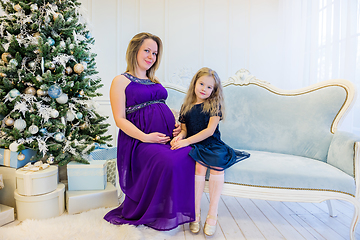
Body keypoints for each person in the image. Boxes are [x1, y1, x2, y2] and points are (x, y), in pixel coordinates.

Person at [104, 32, 195, 231]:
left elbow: (160, 106)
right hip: (140, 142)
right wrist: (146, 137)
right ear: (135, 50)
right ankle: (156, 210)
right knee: (168, 161)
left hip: (166, 137)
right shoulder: (120, 81)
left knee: (190, 154)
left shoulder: (154, 80)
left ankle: (172, 206)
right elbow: (119, 119)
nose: (151, 56)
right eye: (147, 50)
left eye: (154, 53)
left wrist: (178, 122)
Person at [170, 67, 250, 235]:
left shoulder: (214, 105)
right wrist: (181, 137)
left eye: (209, 87)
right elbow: (184, 129)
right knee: (200, 166)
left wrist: (187, 141)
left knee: (216, 165)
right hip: (196, 145)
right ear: (194, 83)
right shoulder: (186, 106)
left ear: (214, 90)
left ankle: (212, 213)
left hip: (212, 144)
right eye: (201, 84)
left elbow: (209, 131)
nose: (204, 89)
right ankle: (195, 213)